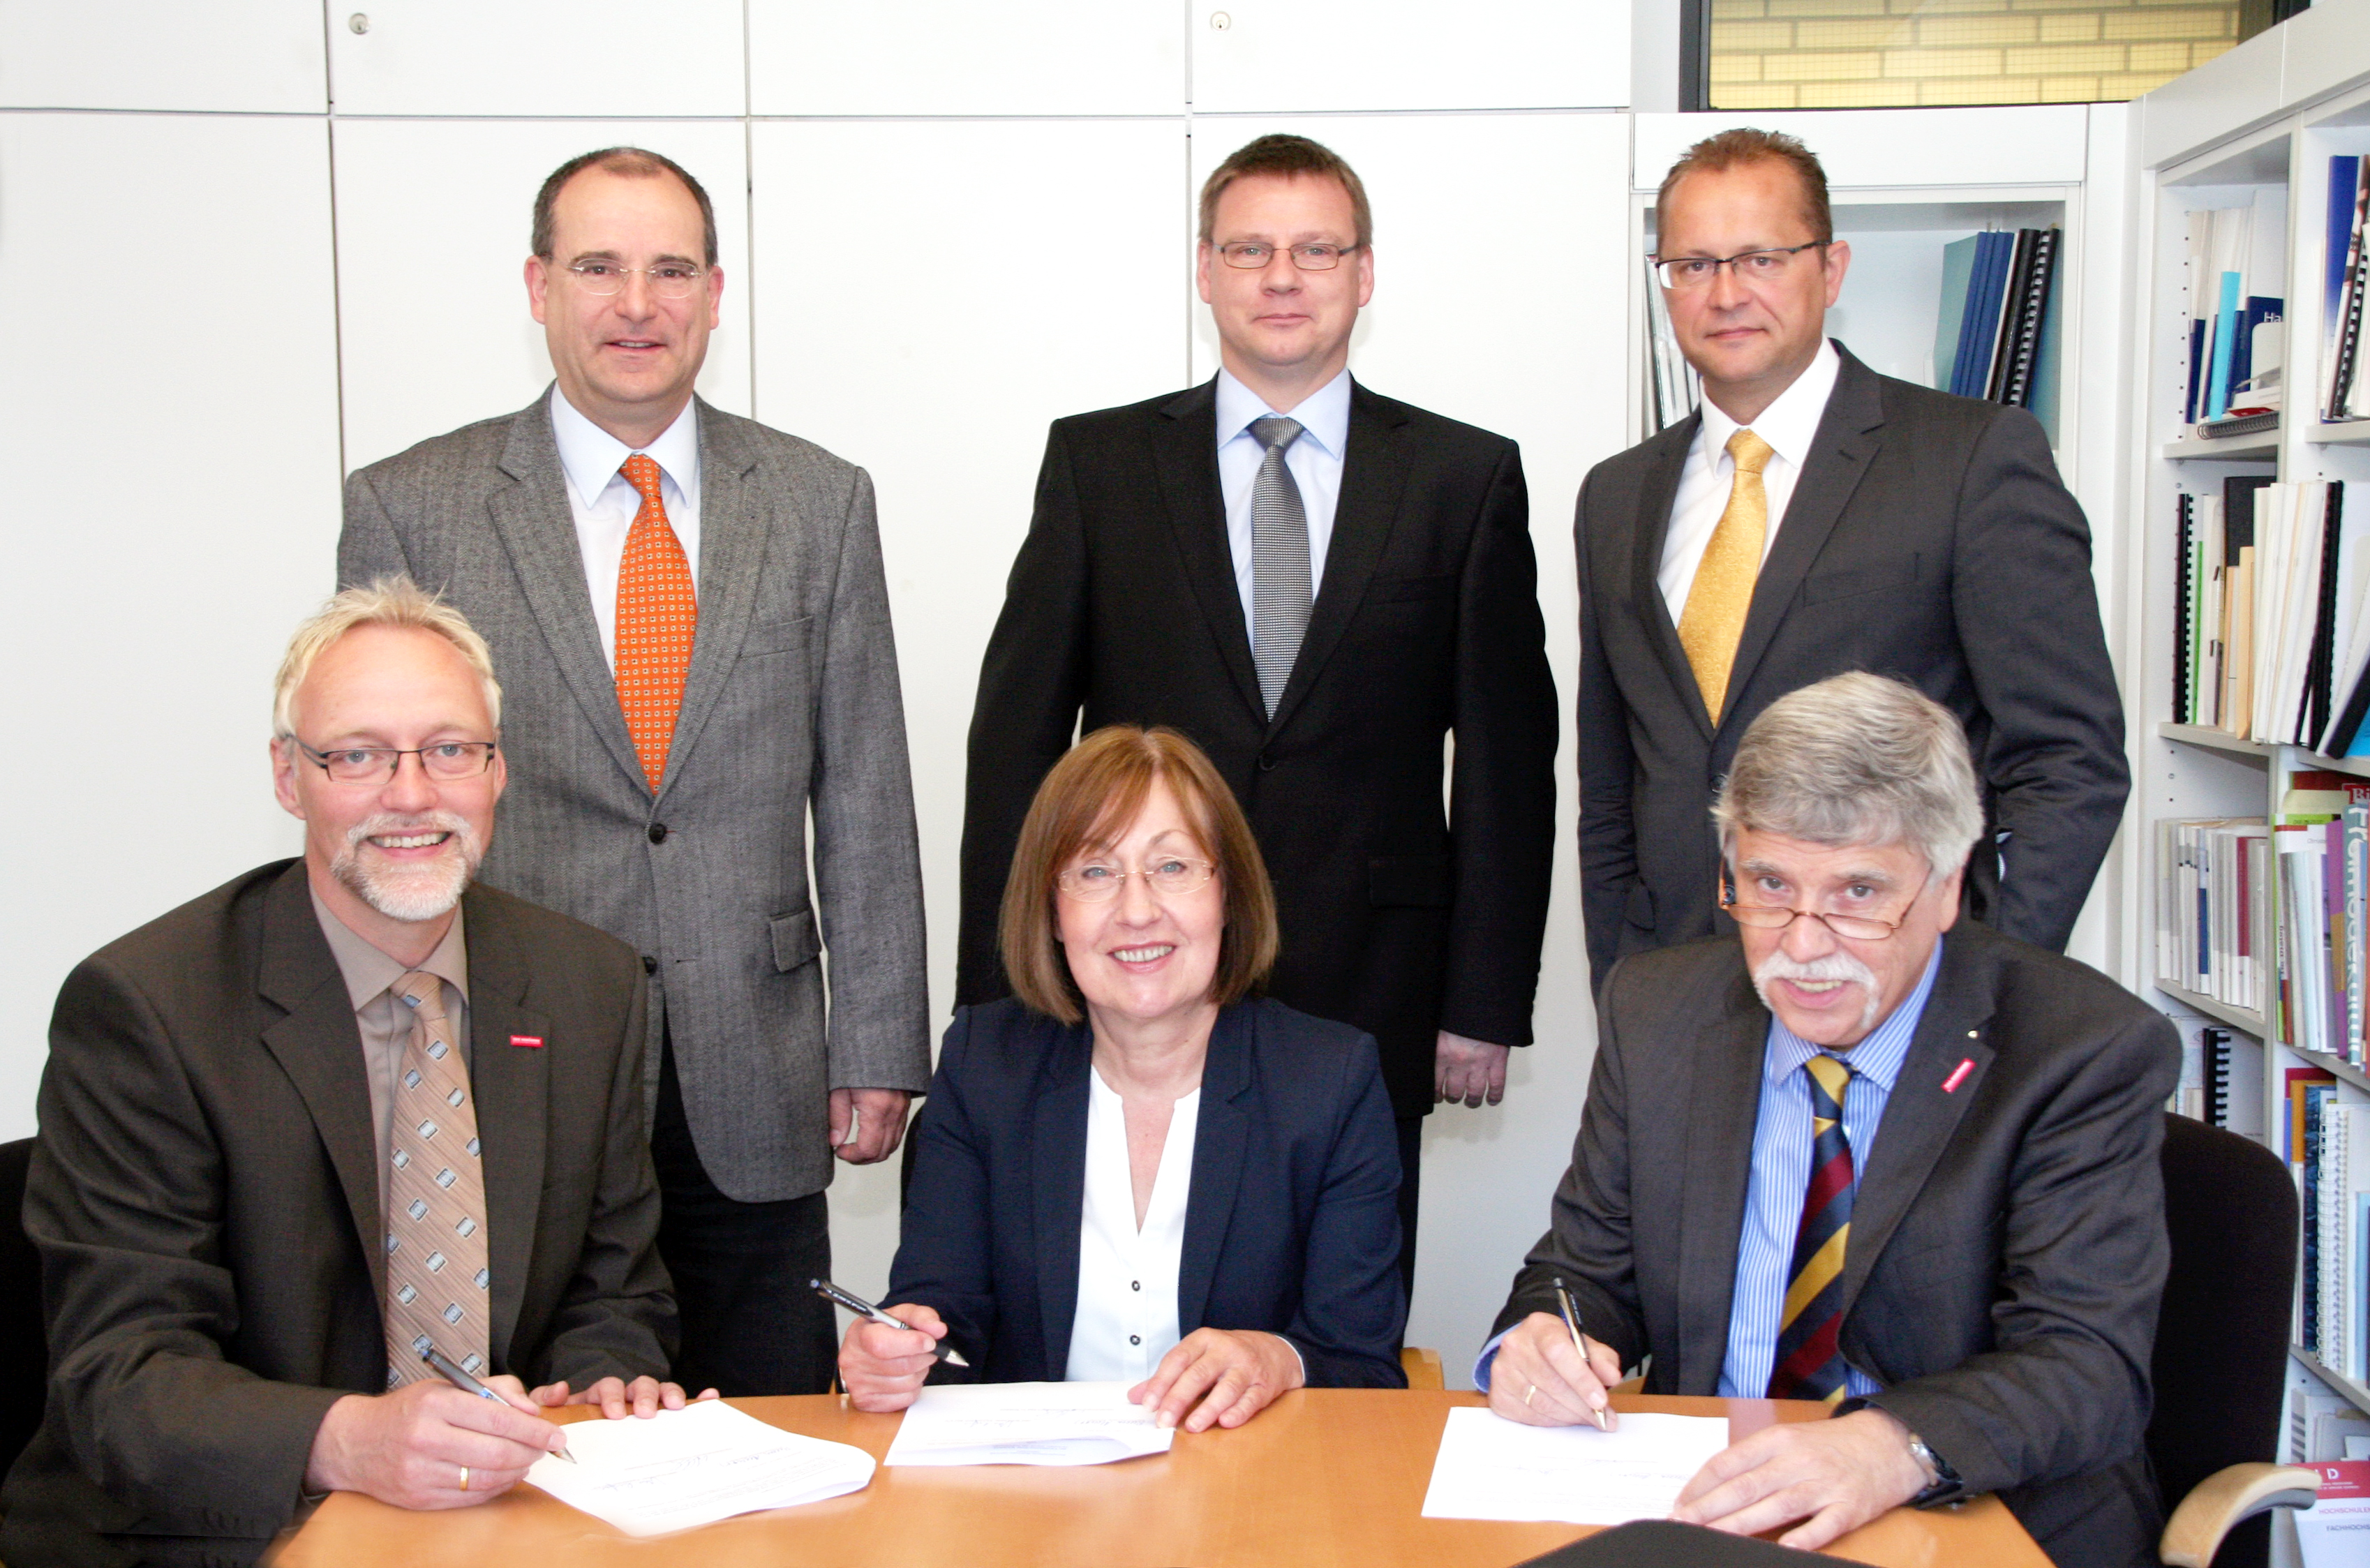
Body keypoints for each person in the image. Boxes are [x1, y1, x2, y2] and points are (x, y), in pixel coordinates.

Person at [339, 147, 929, 1398]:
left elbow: (866, 786)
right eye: (598, 267)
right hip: (512, 1056)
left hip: (755, 1065)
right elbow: (384, 803)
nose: (636, 304)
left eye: (669, 270)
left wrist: (876, 1040)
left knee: (773, 1431)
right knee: (544, 1435)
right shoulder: (412, 505)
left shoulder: (819, 500)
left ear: (715, 293)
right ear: (538, 286)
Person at [958, 133, 1558, 1299]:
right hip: (1136, 969)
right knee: (1128, 1287)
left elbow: (1506, 760)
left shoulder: (1461, 476)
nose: (1282, 277)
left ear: (1364, 273)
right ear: (1205, 270)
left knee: (1342, 1317)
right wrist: (1000, 989)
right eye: (1250, 250)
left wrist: (1482, 997)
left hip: (1375, 975)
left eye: (1315, 250)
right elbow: (1015, 741)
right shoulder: (1099, 464)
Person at [1, 581, 702, 1568]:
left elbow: (614, 1289)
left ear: (497, 769)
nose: (411, 795)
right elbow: (121, 1377)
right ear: (289, 776)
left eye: (449, 748)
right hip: (223, 1531)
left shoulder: (588, 983)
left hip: (500, 1519)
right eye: (359, 755)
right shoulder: (148, 1007)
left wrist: (605, 1380)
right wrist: (354, 1439)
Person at [1482, 673, 2175, 1566]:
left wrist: (1892, 1446)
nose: (1802, 946)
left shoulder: (2079, 1050)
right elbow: (1584, 1270)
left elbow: (2086, 1363)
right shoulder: (1657, 1011)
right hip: (1713, 1509)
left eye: (1857, 894)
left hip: (1973, 1515)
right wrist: (1545, 1338)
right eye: (1769, 885)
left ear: (1947, 885)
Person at [1575, 126, 2126, 987]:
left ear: (1830, 270)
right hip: (1676, 988)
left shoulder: (1970, 460)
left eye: (1761, 259)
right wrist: (1621, 978)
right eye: (1694, 264)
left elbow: (2069, 761)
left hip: (1893, 985)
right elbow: (1613, 782)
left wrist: (1978, 977)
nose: (1726, 293)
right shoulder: (1616, 495)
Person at [847, 726, 1405, 1428]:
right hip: (1031, 1482)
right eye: (1094, 872)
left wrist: (1279, 1359)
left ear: (1228, 894)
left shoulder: (1328, 1081)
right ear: (1051, 912)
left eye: (1172, 867)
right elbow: (941, 1313)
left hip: (1248, 1479)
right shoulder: (984, 1065)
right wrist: (895, 1354)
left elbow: (1360, 1362)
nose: (1137, 910)